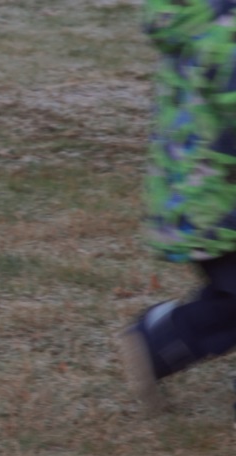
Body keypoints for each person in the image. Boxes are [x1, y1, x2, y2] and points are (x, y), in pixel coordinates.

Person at [120, 0, 236, 412]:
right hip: (219, 202)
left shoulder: (197, 16)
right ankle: (159, 341)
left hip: (195, 194)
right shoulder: (225, 27)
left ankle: (159, 341)